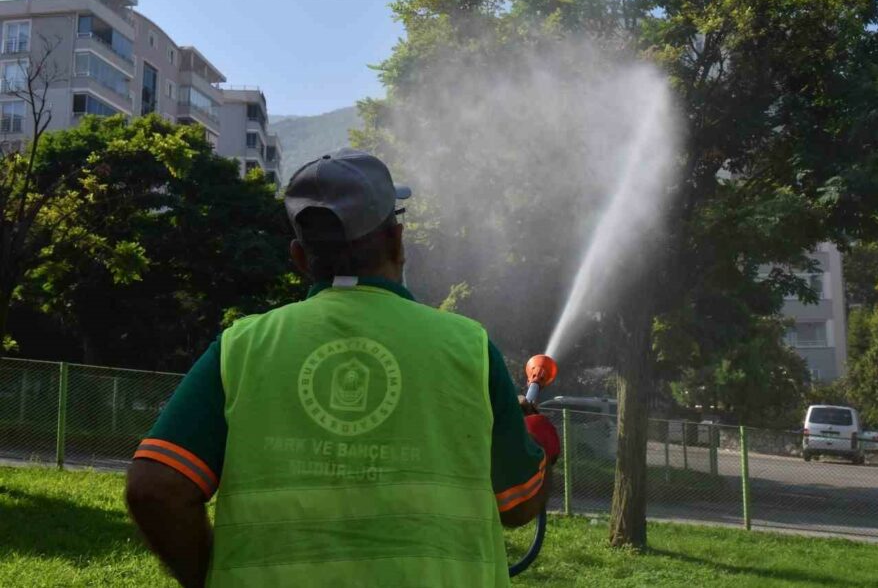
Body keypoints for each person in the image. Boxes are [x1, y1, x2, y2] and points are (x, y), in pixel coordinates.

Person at [125, 149, 560, 587]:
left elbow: (155, 488)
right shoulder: (468, 347)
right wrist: (543, 446)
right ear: (398, 241)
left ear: (299, 257)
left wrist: (209, 577)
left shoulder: (242, 346)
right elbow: (518, 504)